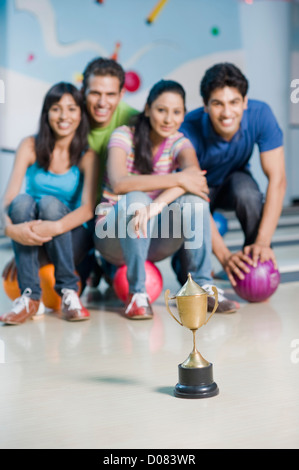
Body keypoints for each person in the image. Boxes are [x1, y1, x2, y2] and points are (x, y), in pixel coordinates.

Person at [94, 79, 236, 320]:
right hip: (112, 235)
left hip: (153, 235)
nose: (169, 119)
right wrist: (179, 178)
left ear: (183, 115)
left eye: (176, 112)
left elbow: (196, 182)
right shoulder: (124, 136)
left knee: (196, 201)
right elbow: (120, 183)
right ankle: (137, 295)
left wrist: (155, 206)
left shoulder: (180, 143)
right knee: (136, 198)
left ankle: (203, 287)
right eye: (161, 110)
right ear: (148, 109)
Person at [172, 62, 286, 289]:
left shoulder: (260, 114)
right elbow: (196, 200)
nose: (227, 113)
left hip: (233, 180)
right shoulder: (187, 130)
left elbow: (278, 180)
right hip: (196, 192)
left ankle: (258, 260)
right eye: (217, 104)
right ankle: (185, 263)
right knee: (188, 277)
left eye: (234, 102)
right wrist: (224, 257)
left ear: (244, 102)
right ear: (205, 105)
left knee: (247, 193)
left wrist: (263, 241)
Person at [1, 82, 98, 324]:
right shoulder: (30, 145)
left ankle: (68, 291)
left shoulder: (88, 155)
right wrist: (12, 231)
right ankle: (29, 298)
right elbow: (8, 200)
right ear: (47, 114)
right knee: (23, 202)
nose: (64, 116)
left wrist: (53, 227)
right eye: (56, 108)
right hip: (32, 228)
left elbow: (87, 209)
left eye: (71, 108)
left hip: (69, 232)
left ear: (80, 114)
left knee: (50, 204)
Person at [80, 57, 139, 286]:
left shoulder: (134, 121)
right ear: (83, 91)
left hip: (114, 213)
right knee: (74, 278)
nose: (102, 102)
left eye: (111, 94)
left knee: (119, 283)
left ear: (122, 94)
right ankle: (89, 263)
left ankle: (107, 265)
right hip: (78, 211)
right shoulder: (69, 118)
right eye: (95, 93)